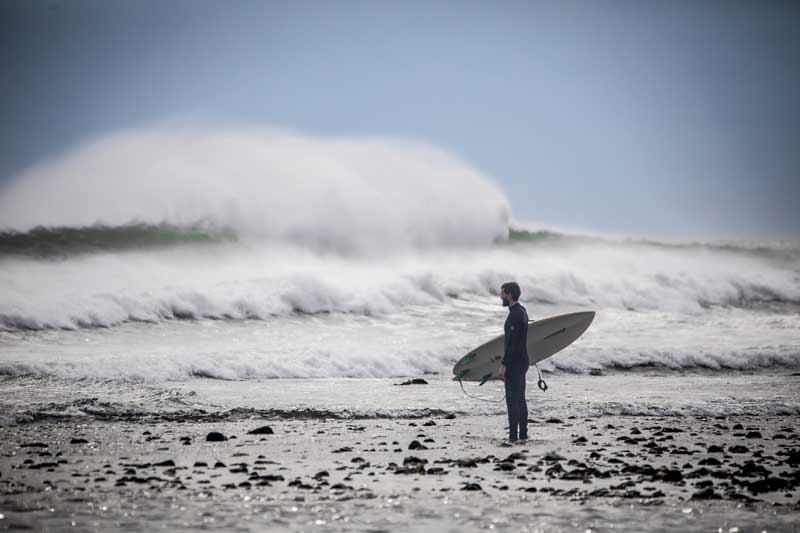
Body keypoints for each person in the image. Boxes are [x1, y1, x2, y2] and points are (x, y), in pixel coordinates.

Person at [498, 281, 529, 444]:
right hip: (523, 360)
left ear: (509, 295)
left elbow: (511, 344)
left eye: (502, 293)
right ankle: (523, 435)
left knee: (512, 401)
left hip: (515, 363)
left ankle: (513, 437)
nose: (501, 296)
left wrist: (504, 365)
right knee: (520, 399)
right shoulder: (522, 311)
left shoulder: (514, 315)